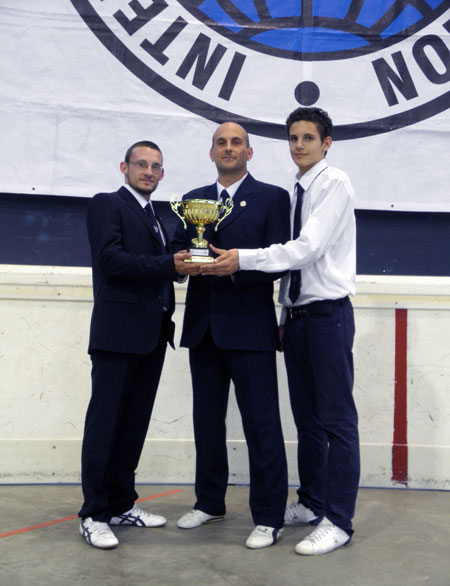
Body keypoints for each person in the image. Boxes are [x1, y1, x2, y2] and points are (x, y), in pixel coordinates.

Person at [201, 107, 360, 556]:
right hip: (297, 319)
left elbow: (307, 250)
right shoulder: (298, 190)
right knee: (308, 422)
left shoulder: (334, 183)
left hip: (328, 315)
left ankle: (340, 520)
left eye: (308, 137)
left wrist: (242, 258)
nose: (299, 145)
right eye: (293, 138)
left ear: (326, 142)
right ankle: (311, 503)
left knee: (337, 423)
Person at [172, 122, 291, 549]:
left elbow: (281, 260)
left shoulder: (273, 198)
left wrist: (241, 264)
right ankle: (209, 502)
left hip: (250, 329)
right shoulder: (191, 201)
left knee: (262, 425)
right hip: (203, 329)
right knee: (207, 421)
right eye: (220, 142)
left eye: (236, 142)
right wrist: (180, 262)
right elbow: (179, 249)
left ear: (249, 152)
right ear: (211, 153)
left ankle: (270, 516)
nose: (228, 148)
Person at [78, 140, 196, 549]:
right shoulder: (106, 204)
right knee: (105, 425)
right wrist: (170, 265)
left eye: (156, 167)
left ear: (162, 175)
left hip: (151, 335)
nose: (148, 171)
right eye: (141, 164)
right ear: (124, 167)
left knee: (132, 426)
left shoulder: (156, 217)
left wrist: (182, 269)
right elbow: (111, 260)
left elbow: (158, 269)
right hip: (116, 334)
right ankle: (93, 513)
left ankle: (121, 503)